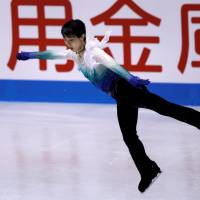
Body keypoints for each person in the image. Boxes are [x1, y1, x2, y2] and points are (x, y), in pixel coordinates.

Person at [16, 19, 200, 193]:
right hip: (121, 96)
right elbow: (52, 54)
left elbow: (112, 64)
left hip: (128, 89)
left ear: (82, 37)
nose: (68, 44)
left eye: (71, 40)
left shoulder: (93, 52)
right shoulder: (74, 54)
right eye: (65, 40)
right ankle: (148, 170)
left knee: (165, 109)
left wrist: (131, 78)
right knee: (130, 134)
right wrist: (30, 55)